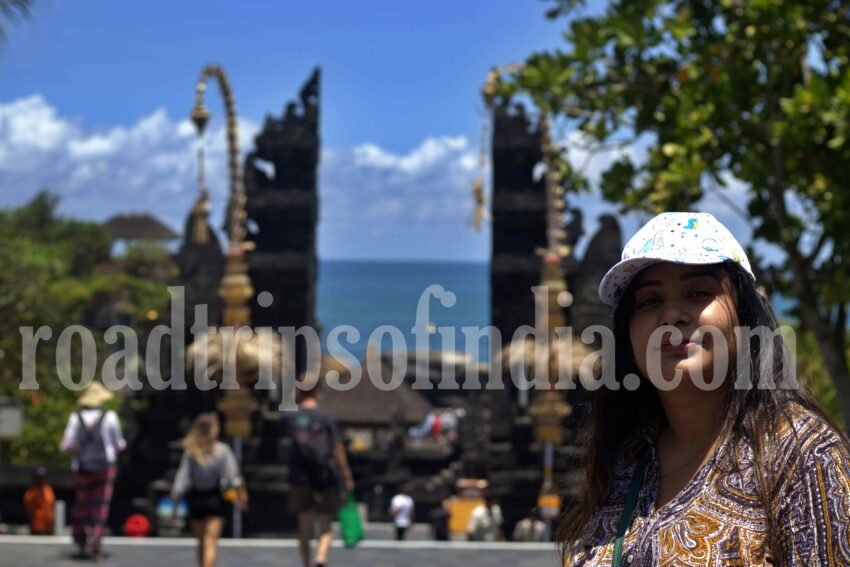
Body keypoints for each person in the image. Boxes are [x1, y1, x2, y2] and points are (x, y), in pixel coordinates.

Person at [560, 212, 850, 565]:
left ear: (743, 319)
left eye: (698, 293)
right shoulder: (625, 457)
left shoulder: (802, 455)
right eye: (650, 301)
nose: (673, 315)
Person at [285, 377, 354, 567]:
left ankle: (306, 563)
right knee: (325, 525)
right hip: (324, 476)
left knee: (304, 527)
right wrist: (346, 474)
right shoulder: (326, 417)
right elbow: (337, 448)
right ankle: (321, 557)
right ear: (317, 391)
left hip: (299, 477)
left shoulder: (290, 417)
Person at [59, 381, 126, 561]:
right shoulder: (110, 417)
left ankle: (80, 539)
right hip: (104, 468)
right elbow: (119, 444)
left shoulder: (76, 418)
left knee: (81, 504)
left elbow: (65, 445)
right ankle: (96, 541)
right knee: (100, 506)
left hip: (82, 468)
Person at [171, 412, 244, 567]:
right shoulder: (222, 451)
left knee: (201, 542)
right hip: (215, 499)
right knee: (210, 542)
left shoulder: (191, 451)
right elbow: (231, 478)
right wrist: (238, 497)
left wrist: (175, 506)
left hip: (196, 500)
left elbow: (181, 481)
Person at [23, 467, 55, 535]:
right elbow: (29, 512)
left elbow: (52, 506)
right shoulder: (31, 493)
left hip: (50, 528)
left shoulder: (48, 489)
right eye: (38, 478)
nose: (41, 480)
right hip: (37, 528)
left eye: (42, 477)